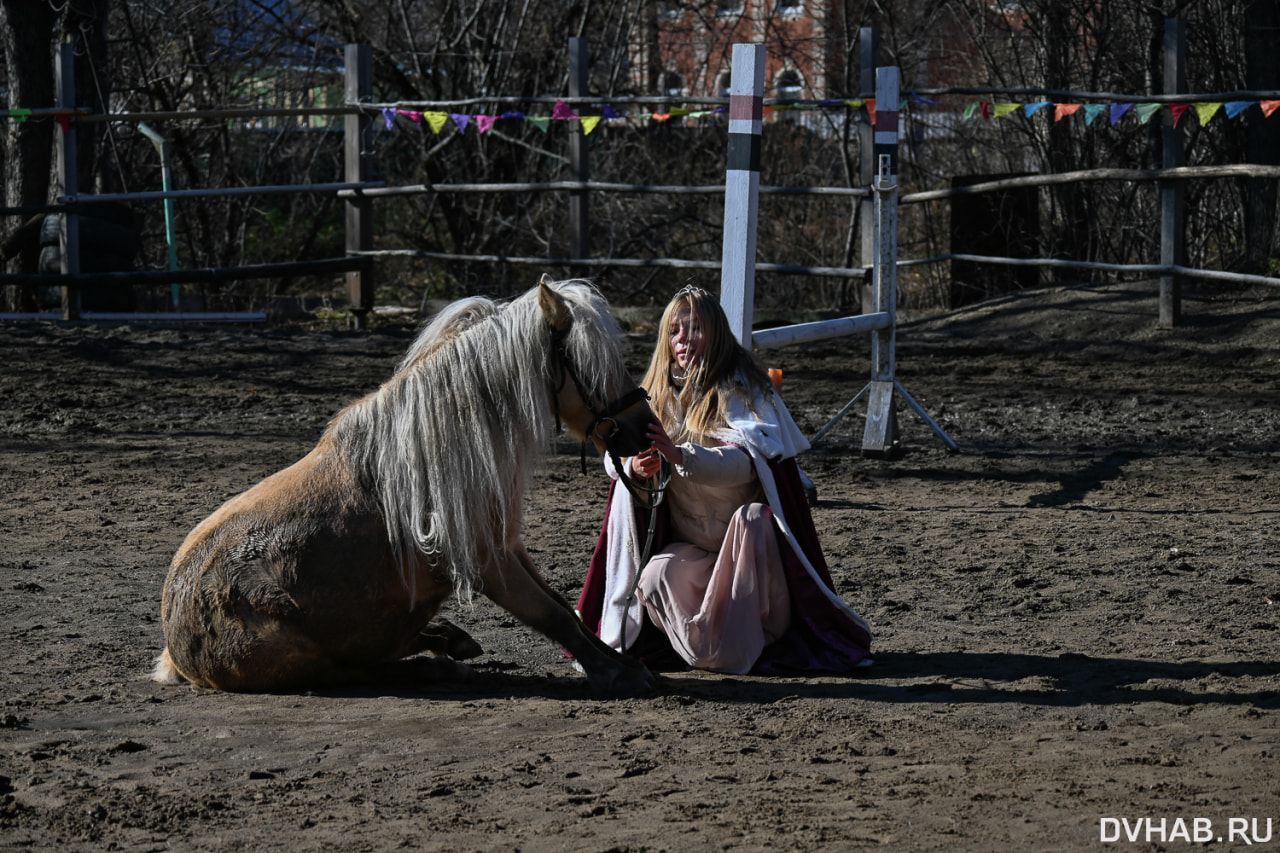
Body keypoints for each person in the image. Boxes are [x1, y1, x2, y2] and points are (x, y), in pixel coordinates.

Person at [576, 285, 873, 675]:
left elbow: (750, 464)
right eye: (675, 331)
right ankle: (712, 653)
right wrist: (634, 469)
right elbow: (615, 459)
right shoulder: (651, 397)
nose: (684, 340)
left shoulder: (747, 390)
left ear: (716, 334)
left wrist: (682, 455)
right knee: (655, 575)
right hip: (695, 557)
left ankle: (750, 641)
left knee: (752, 518)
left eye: (696, 328)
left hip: (752, 562)